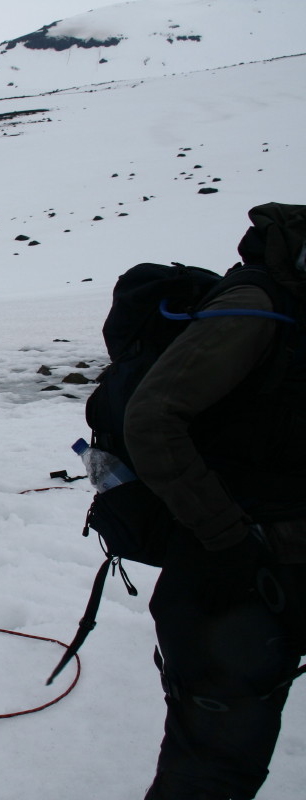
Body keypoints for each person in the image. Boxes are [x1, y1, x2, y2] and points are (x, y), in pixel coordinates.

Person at [125, 203, 306, 799]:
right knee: (214, 769)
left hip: (274, 562)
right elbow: (152, 419)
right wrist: (226, 540)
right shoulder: (256, 305)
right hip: (231, 575)